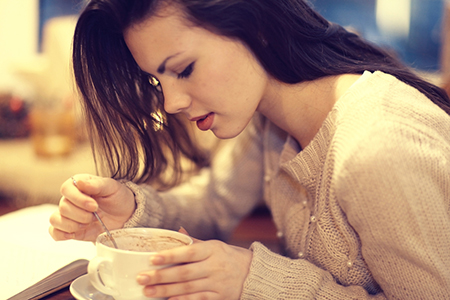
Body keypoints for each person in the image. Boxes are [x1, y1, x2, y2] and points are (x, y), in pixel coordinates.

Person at [49, 0, 450, 299]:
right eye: (157, 81)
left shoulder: (376, 148)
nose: (170, 103)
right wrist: (133, 213)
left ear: (256, 27)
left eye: (184, 69)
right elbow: (213, 207)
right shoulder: (268, 118)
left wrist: (255, 279)